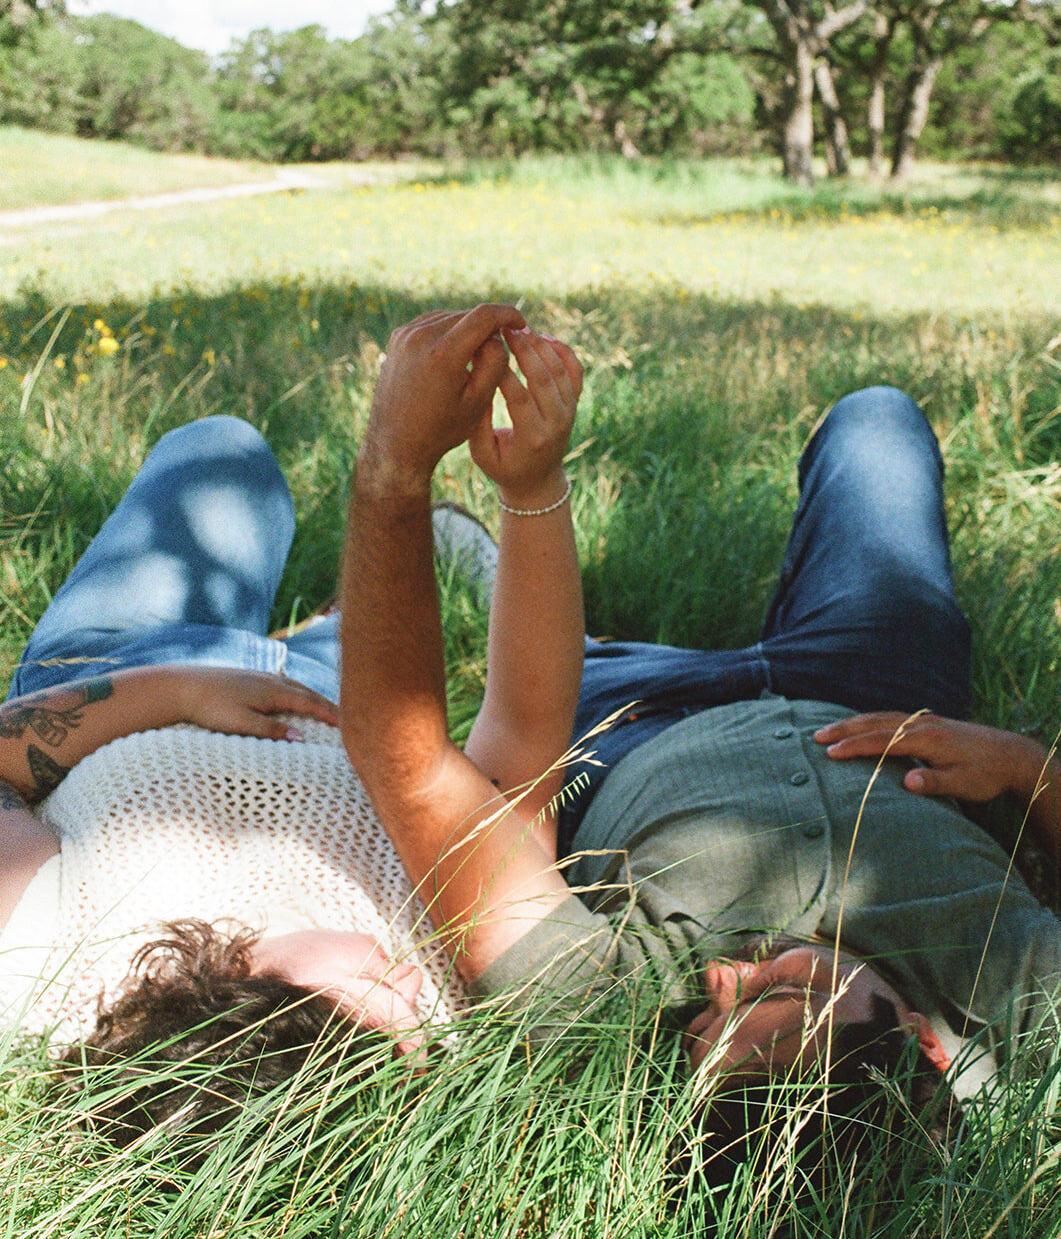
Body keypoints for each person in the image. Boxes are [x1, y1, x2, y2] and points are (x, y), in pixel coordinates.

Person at [340, 303, 1061, 1120]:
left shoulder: (603, 1004)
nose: (722, 980)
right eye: (777, 994)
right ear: (922, 1041)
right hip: (874, 685)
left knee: (348, 667)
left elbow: (412, 767)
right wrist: (1031, 771)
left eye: (704, 1026)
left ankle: (486, 565)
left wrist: (393, 467)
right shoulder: (1016, 985)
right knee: (876, 423)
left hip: (628, 717)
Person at [0, 314, 582, 1137]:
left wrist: (175, 691)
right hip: (331, 700)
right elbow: (525, 746)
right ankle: (337, 621)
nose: (412, 994)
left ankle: (326, 620)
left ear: (247, 1011)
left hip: (127, 669)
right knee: (346, 641)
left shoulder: (50, 963)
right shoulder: (444, 975)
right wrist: (534, 487)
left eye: (379, 1006)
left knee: (223, 452)